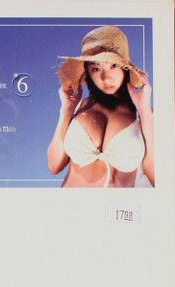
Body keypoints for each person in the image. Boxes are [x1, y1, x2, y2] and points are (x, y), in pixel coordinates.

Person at [47, 25, 154, 187]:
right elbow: (54, 166)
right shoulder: (80, 107)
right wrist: (66, 109)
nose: (106, 78)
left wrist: (145, 110)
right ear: (88, 73)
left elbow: (157, 178)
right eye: (96, 68)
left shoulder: (141, 114)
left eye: (113, 65)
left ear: (125, 68)